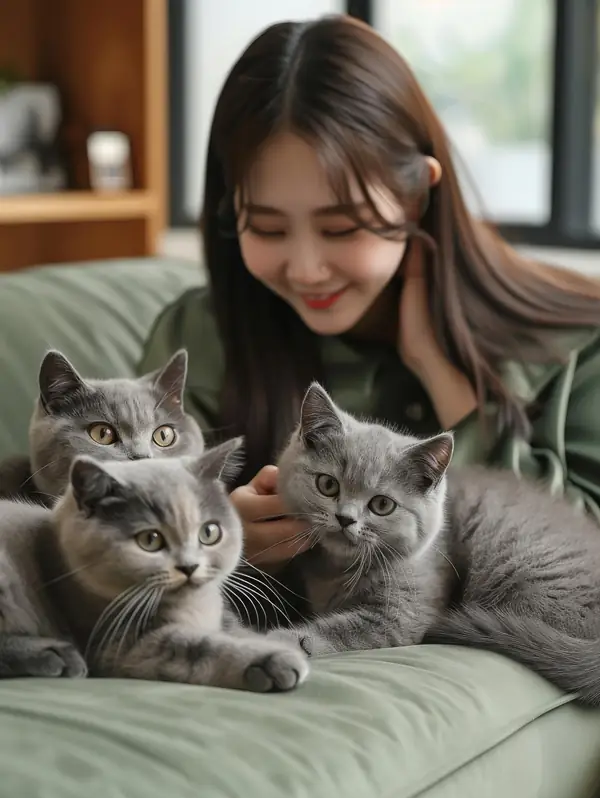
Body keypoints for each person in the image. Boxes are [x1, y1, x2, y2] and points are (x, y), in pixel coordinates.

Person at [140, 13, 600, 572]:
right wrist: (221, 545)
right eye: (266, 227)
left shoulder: (581, 342)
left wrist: (440, 369)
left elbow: (577, 559)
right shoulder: (199, 337)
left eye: (341, 228)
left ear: (415, 197)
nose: (307, 269)